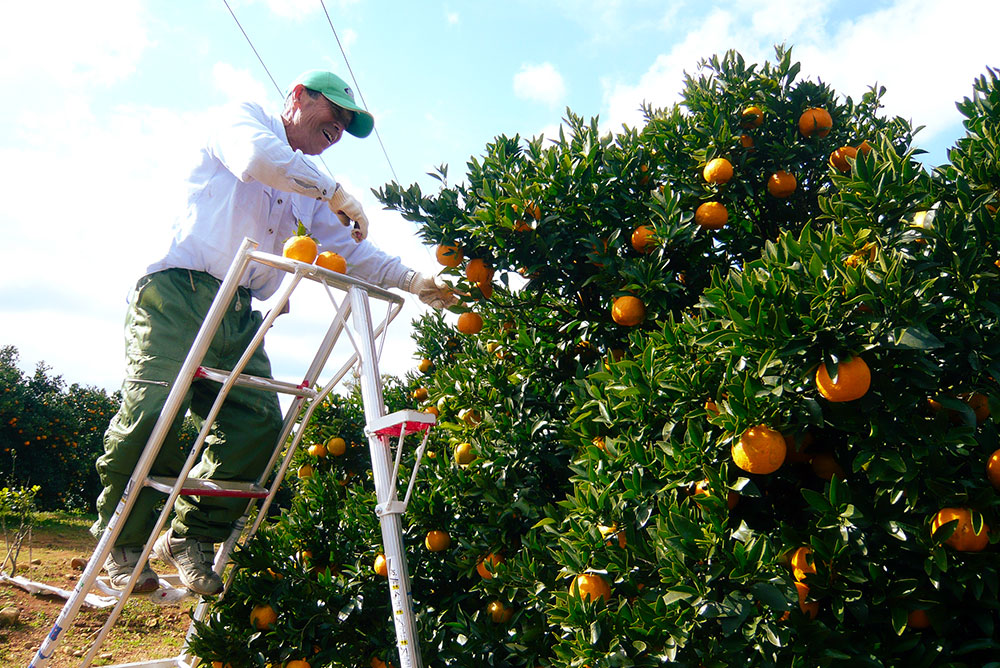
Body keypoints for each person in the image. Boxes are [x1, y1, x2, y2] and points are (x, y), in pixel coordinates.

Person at [92, 70, 456, 595]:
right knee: (154, 411)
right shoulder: (245, 121)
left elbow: (351, 251)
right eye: (335, 113)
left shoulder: (306, 185)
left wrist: (414, 281)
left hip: (237, 309)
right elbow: (256, 160)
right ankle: (123, 543)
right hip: (177, 292)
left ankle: (191, 535)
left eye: (348, 125)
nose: (340, 127)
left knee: (257, 426)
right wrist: (332, 189)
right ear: (299, 96)